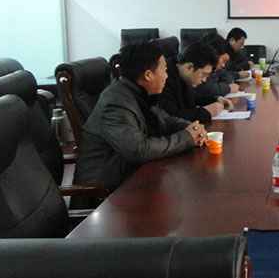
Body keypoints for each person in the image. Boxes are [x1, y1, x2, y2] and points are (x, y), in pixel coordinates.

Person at [74, 42, 205, 197]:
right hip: (105, 192)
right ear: (148, 75)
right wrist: (187, 137)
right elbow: (139, 150)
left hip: (130, 175)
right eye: (164, 70)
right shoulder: (116, 103)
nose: (167, 76)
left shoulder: (137, 91)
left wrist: (192, 128)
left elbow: (165, 119)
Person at [158, 41, 225, 124]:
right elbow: (172, 117)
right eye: (203, 74)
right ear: (189, 67)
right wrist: (206, 112)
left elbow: (193, 98)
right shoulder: (163, 78)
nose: (204, 80)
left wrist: (215, 99)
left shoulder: (182, 74)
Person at [195, 34, 240, 106]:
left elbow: (227, 76)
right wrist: (227, 88)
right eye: (223, 60)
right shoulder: (198, 65)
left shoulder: (214, 67)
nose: (223, 65)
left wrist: (215, 98)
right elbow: (204, 89)